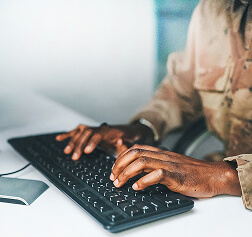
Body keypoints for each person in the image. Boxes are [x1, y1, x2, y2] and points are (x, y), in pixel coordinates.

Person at [56, 0, 252, 210]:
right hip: (225, 199)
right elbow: (180, 92)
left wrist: (224, 175)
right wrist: (142, 128)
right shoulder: (212, 8)